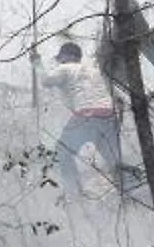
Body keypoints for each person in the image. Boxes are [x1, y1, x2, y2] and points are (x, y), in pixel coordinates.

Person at [41, 41, 126, 195]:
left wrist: (36, 63)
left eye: (60, 58)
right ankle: (126, 193)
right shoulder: (95, 71)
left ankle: (74, 193)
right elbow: (118, 100)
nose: (59, 61)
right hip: (109, 116)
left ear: (66, 56)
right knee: (115, 161)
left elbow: (46, 81)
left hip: (86, 116)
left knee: (62, 151)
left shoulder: (64, 68)